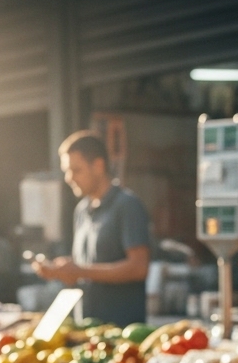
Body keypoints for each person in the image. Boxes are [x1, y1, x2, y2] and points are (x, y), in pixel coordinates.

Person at [33, 131, 150, 325]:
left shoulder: (127, 205)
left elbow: (139, 268)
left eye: (76, 170)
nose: (69, 178)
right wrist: (61, 271)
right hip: (86, 328)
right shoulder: (81, 210)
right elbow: (86, 268)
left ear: (98, 166)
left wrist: (80, 270)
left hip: (121, 331)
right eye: (66, 171)